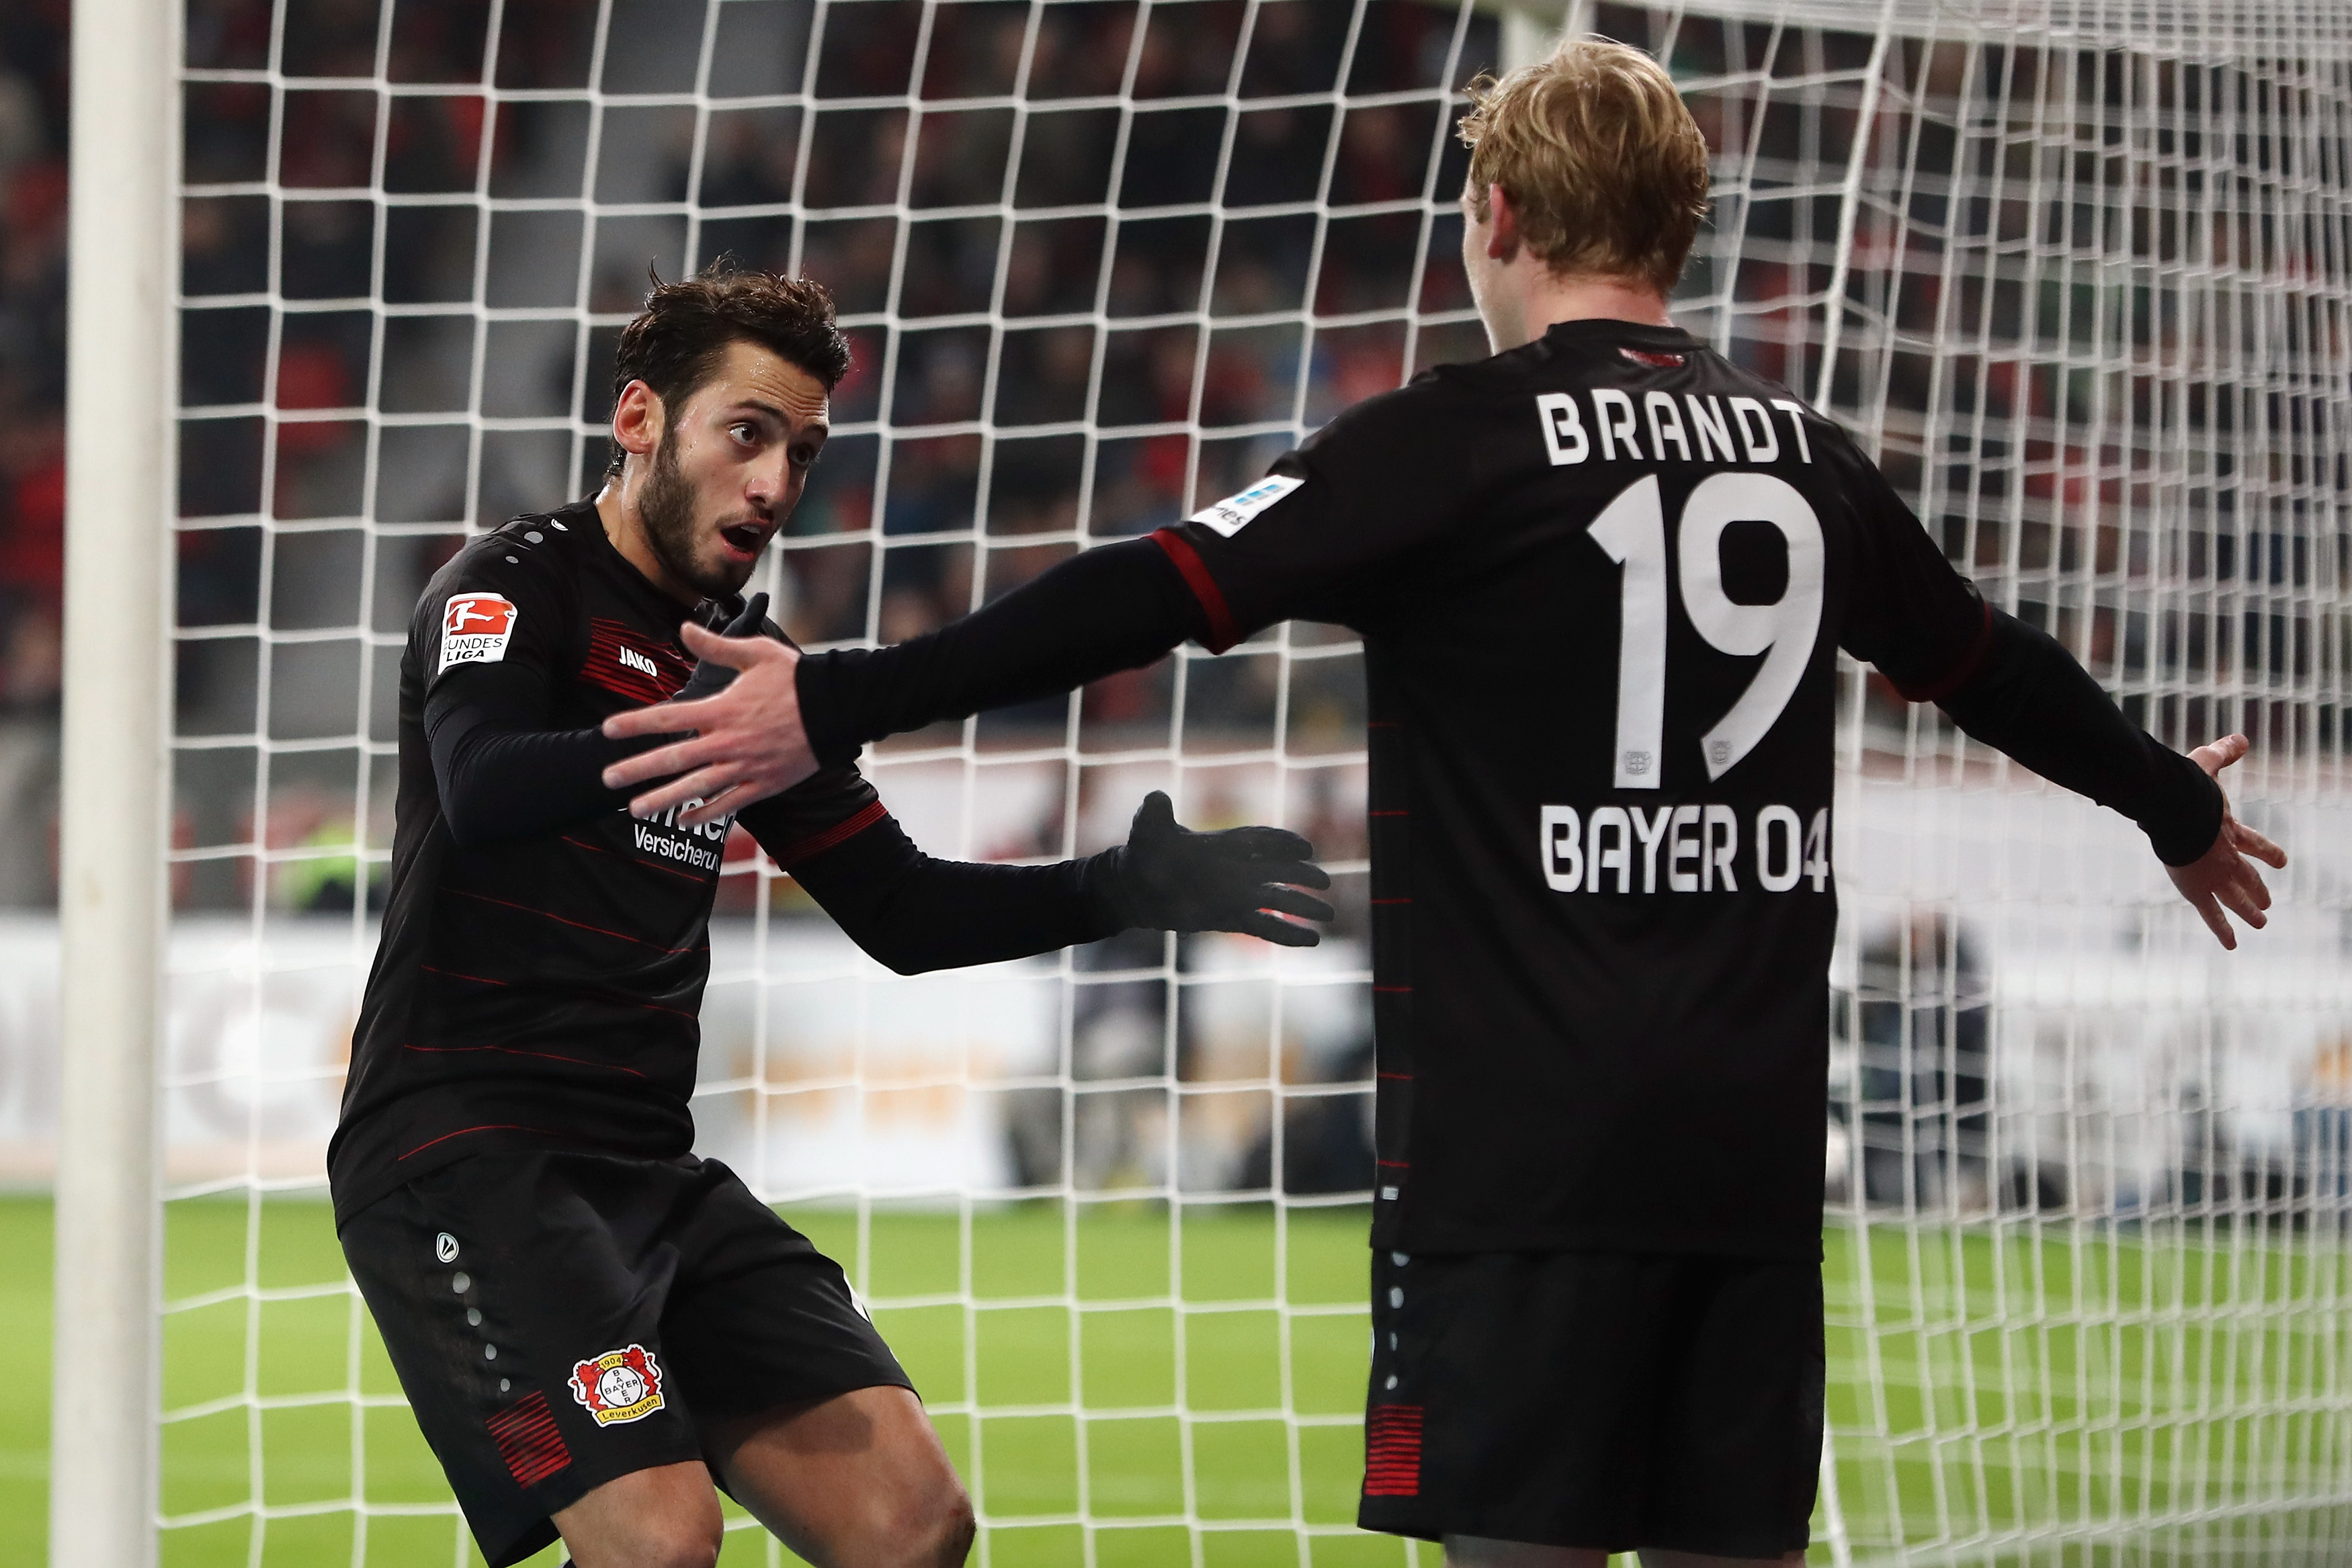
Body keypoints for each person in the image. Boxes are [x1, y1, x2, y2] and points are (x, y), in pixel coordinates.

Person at [596, 42, 2287, 1568]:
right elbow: (1988, 664)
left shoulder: (1450, 442)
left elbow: (1148, 589)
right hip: (1751, 1152)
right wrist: (2167, 805)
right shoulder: (1806, 454)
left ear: (1494, 214)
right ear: (1678, 228)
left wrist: (833, 693)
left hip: (1520, 1160)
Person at [329, 267, 1332, 1568]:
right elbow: (479, 784)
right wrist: (705, 730)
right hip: (462, 1152)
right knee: (656, 1542)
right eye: (745, 435)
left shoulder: (746, 664)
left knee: (914, 1523)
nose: (773, 485)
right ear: (639, 419)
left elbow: (901, 908)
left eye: (801, 453)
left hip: (646, 1171)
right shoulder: (517, 586)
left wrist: (1119, 890)